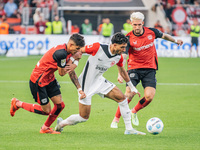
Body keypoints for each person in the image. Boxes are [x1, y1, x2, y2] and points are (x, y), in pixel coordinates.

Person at [55, 32, 146, 135]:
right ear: (114, 45)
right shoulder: (98, 47)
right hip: (86, 84)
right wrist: (73, 62)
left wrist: (132, 87)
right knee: (83, 117)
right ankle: (61, 124)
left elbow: (122, 71)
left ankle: (129, 129)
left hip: (99, 81)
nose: (124, 50)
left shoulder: (118, 57)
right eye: (122, 47)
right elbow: (79, 51)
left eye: (125, 47)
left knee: (122, 99)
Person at [110, 12, 183, 128]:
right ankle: (116, 119)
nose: (137, 27)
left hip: (150, 69)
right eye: (134, 25)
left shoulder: (151, 32)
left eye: (139, 25)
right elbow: (123, 57)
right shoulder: (128, 38)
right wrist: (120, 74)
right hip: (134, 69)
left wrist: (175, 41)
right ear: (131, 24)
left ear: (142, 23)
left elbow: (164, 36)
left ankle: (134, 111)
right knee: (128, 94)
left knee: (149, 96)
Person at [10, 34, 86, 134]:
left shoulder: (68, 52)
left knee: (60, 105)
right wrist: (74, 61)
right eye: (77, 49)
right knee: (46, 111)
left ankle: (45, 128)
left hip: (49, 79)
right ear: (71, 45)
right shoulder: (61, 53)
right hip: (38, 81)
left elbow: (70, 71)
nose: (78, 51)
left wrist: (79, 89)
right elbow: (62, 73)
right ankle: (18, 104)